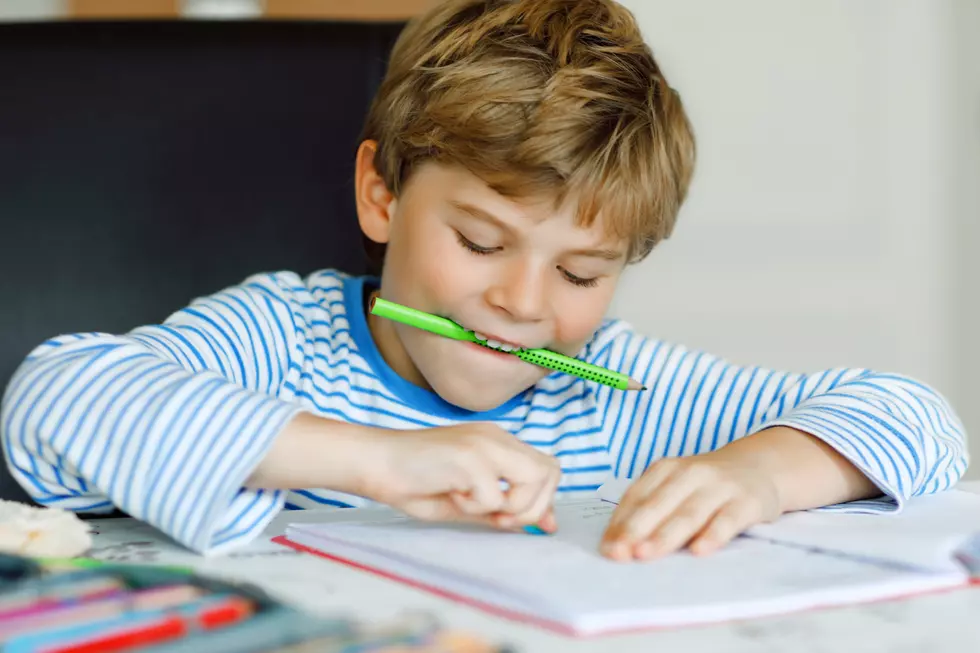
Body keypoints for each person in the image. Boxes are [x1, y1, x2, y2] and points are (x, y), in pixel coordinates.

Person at [0, 0, 968, 561]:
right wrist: (380, 460)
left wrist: (752, 474)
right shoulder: (277, 340)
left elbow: (916, 420)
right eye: (478, 240)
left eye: (582, 270)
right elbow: (53, 397)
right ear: (380, 194)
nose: (525, 303)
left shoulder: (613, 396)